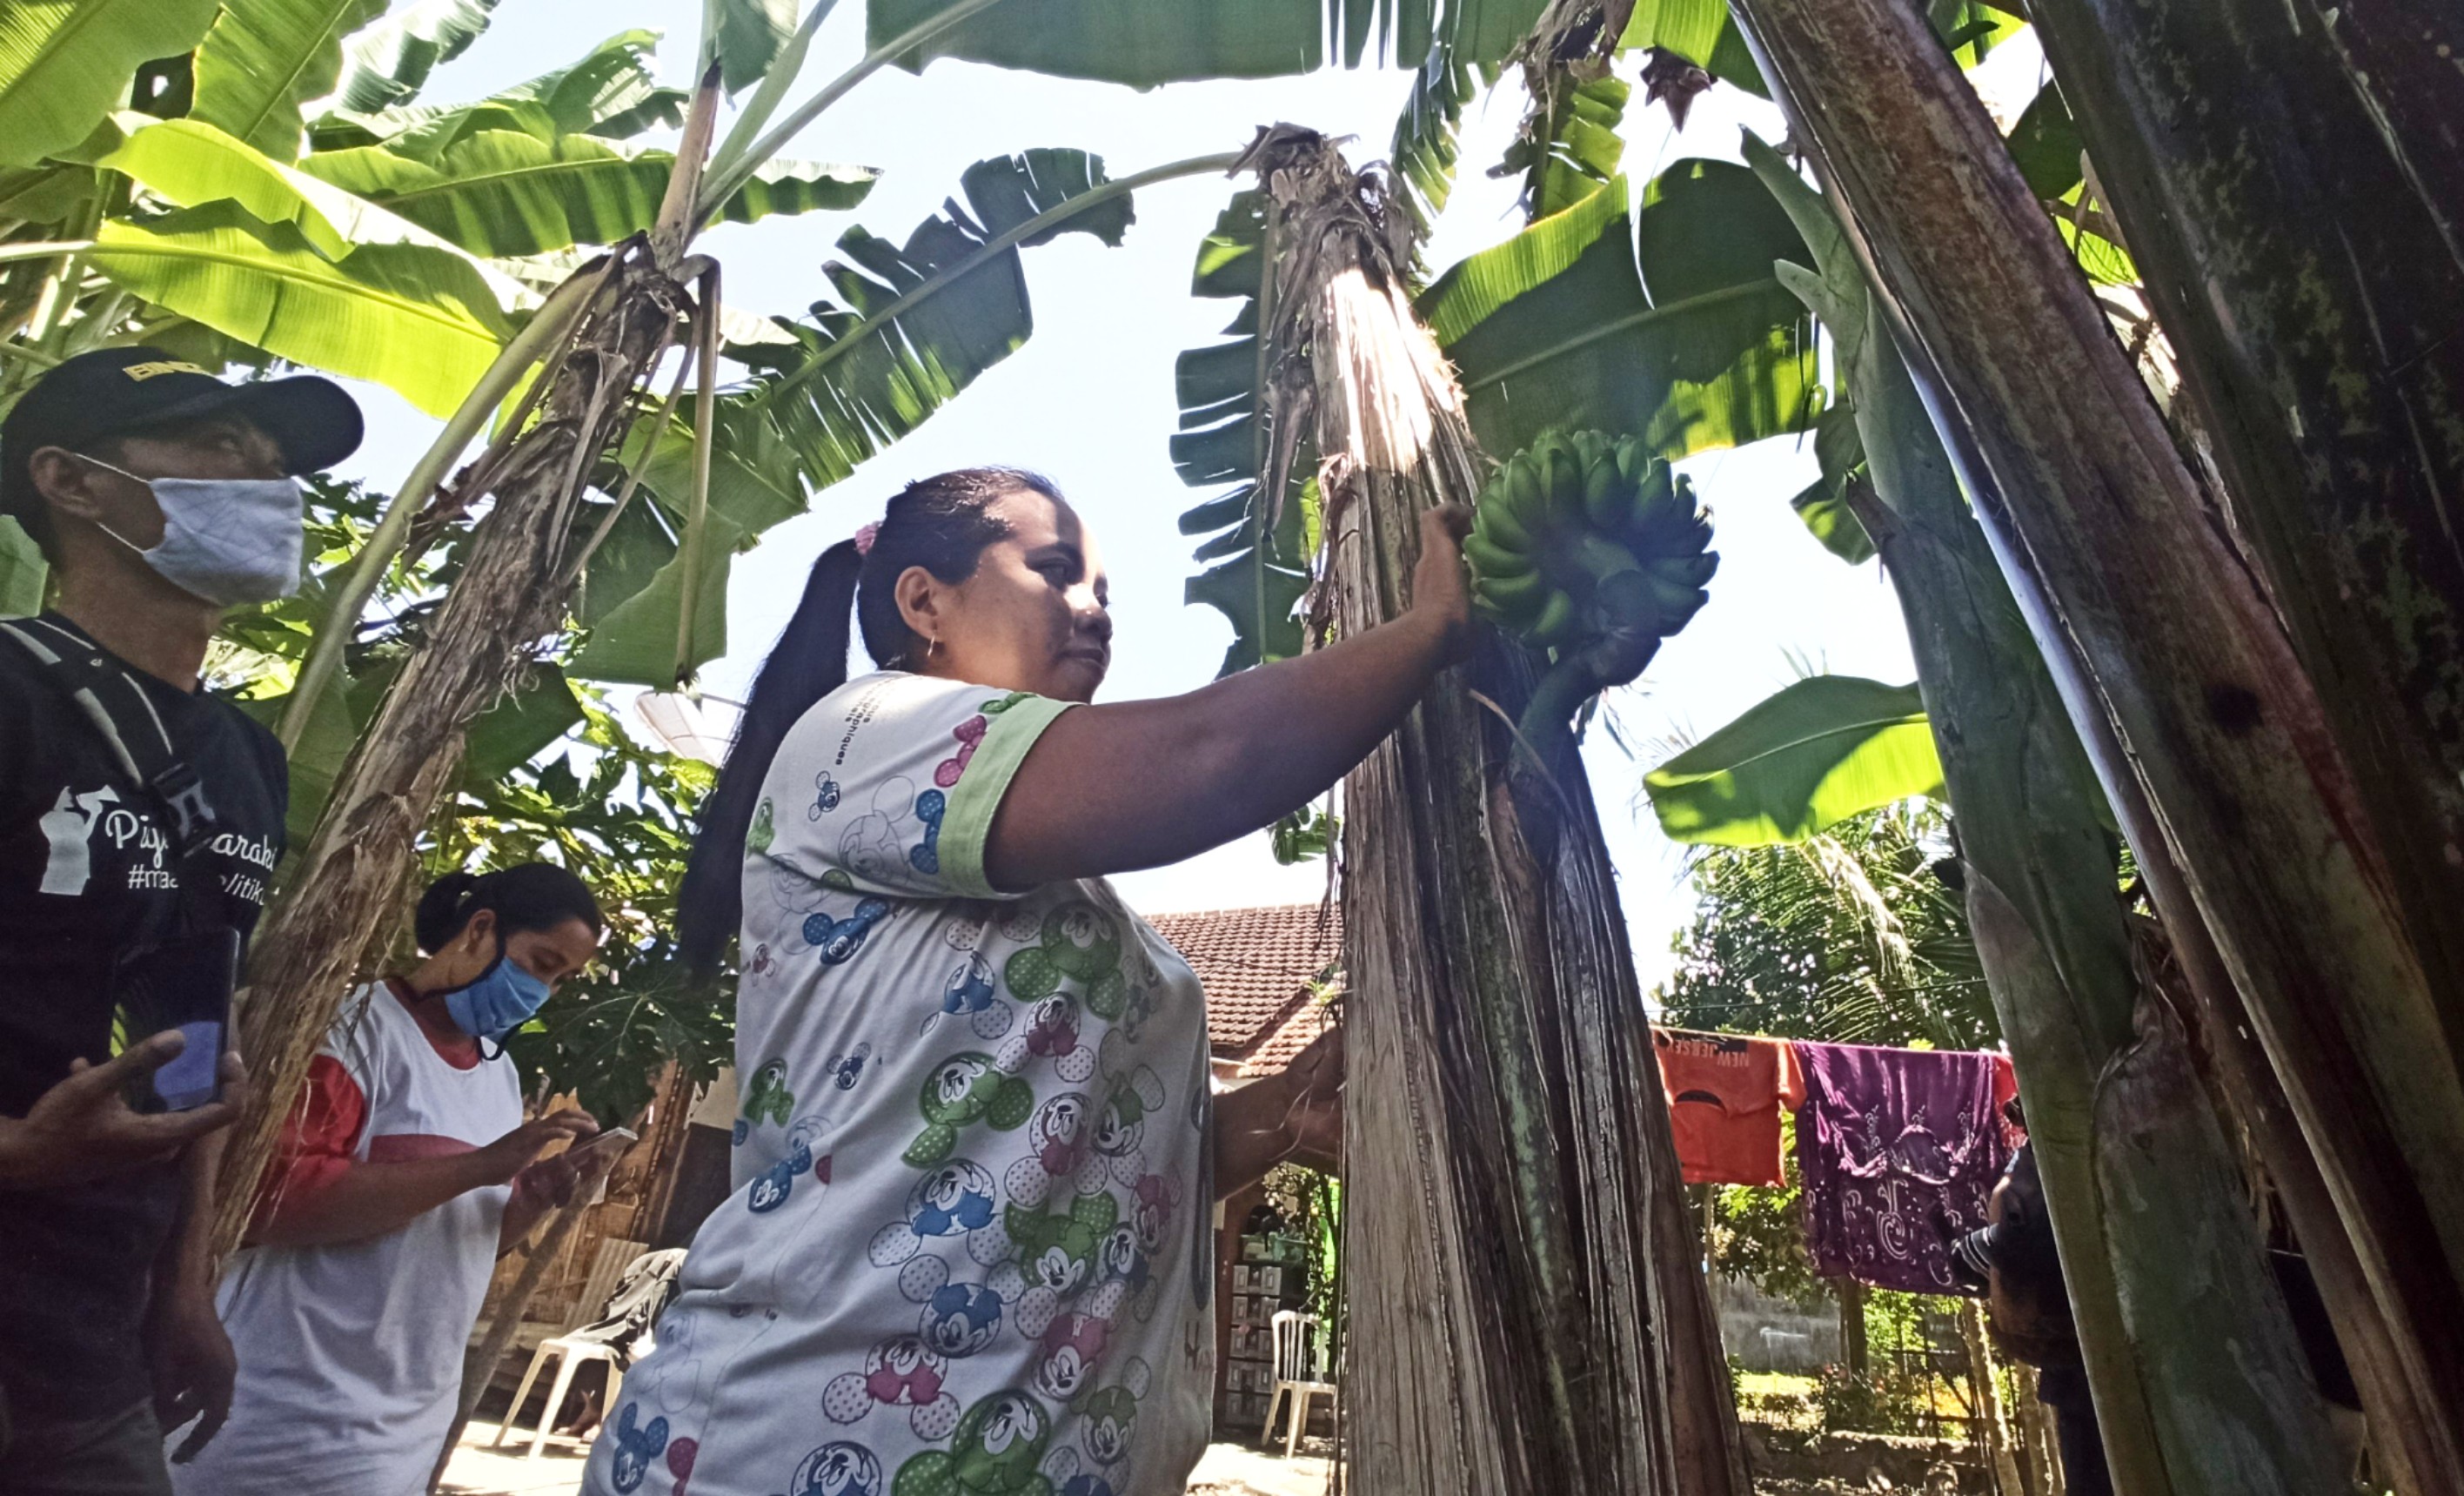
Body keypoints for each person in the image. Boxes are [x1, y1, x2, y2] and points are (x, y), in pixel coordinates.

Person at [584, 467, 1467, 1496]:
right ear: (924, 602)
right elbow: (1210, 753)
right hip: (800, 1448)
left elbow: (1073, 1171)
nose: (1094, 611)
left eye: (1104, 592)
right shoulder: (866, 735)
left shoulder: (1070, 902)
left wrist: (1278, 1115)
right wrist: (1430, 629)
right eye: (1056, 572)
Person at [0, 346, 363, 1494]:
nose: (264, 485)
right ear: (71, 481)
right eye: (216, 449)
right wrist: (15, 1152)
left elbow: (198, 1023)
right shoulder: (13, 694)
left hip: (95, 1355)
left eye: (272, 464)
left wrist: (189, 1284)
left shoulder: (244, 757)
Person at [170, 865, 605, 1496]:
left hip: (410, 1420)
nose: (542, 991)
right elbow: (276, 1200)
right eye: (541, 963)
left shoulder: (499, 1076)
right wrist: (481, 1165)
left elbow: (468, 1237)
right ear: (481, 929)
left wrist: (532, 1194)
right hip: (290, 1414)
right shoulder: (355, 1032)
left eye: (561, 979)